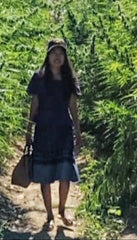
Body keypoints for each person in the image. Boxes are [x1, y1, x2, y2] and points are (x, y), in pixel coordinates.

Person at [25, 38, 82, 230]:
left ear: (65, 57)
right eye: (54, 53)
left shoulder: (70, 79)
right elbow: (34, 105)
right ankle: (49, 215)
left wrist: (78, 131)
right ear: (48, 56)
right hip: (43, 130)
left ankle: (62, 211)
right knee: (45, 174)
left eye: (61, 53)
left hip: (64, 131)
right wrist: (28, 130)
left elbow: (73, 107)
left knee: (65, 173)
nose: (57, 57)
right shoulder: (39, 77)